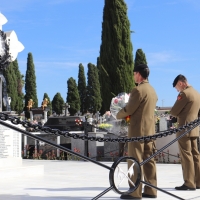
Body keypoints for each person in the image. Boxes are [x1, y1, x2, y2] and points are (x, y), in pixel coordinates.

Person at [116, 64, 158, 199]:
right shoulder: (152, 90)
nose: (133, 76)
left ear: (139, 74)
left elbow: (129, 109)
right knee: (149, 160)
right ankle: (151, 190)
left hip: (137, 130)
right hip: (150, 130)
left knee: (134, 160)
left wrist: (117, 114)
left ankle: (135, 191)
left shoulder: (138, 90)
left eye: (134, 74)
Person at [170, 74, 200, 190]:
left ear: (181, 83)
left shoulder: (184, 94)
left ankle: (189, 183)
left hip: (184, 129)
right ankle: (198, 182)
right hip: (194, 128)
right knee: (196, 155)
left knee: (186, 155)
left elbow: (174, 111)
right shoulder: (197, 93)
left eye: (177, 87)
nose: (177, 90)